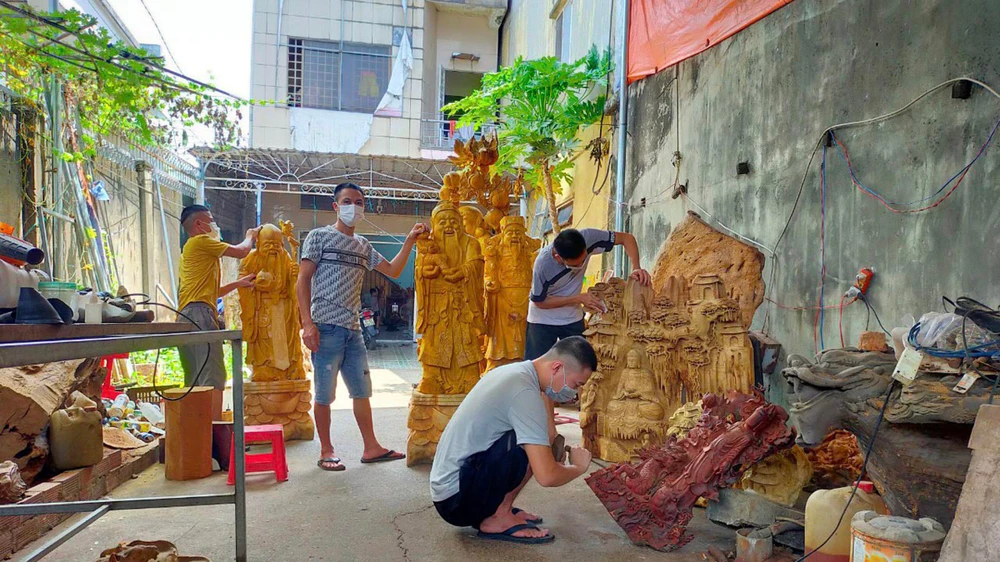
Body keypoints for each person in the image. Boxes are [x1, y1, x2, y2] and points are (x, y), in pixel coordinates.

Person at [296, 182, 428, 472]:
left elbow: (392, 270)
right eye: (347, 201)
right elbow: (302, 280)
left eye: (358, 202)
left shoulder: (363, 246)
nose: (353, 207)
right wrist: (307, 324)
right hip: (325, 327)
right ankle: (327, 450)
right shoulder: (319, 237)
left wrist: (409, 241)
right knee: (324, 395)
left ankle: (371, 447)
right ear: (335, 205)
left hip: (353, 330)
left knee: (362, 391)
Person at [430, 336, 599, 544]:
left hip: (452, 490)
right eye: (576, 384)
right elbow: (547, 476)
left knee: (536, 441)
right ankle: (497, 518)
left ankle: (502, 509)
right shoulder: (524, 391)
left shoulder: (515, 372)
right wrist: (578, 467)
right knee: (533, 446)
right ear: (556, 367)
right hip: (456, 501)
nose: (574, 394)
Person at [525, 228, 652, 438]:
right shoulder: (543, 265)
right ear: (558, 257)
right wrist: (577, 299)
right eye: (575, 264)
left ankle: (590, 424)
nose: (581, 266)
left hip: (572, 318)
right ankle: (549, 431)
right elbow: (539, 301)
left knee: (585, 365)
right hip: (542, 319)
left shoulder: (588, 237)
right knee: (541, 375)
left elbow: (627, 238)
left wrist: (636, 268)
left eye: (584, 259)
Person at [176, 205, 259, 420]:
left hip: (188, 313)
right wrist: (250, 236)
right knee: (213, 376)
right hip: (200, 315)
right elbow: (241, 251)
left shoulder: (190, 250)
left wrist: (238, 283)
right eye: (210, 220)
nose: (214, 225)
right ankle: (212, 434)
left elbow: (211, 293)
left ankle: (198, 434)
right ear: (198, 224)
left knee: (196, 377)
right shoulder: (201, 241)